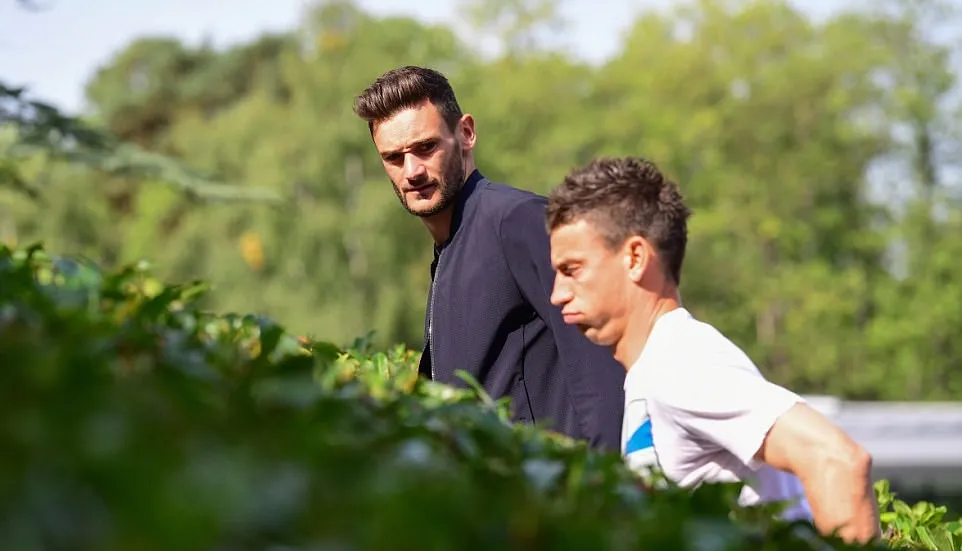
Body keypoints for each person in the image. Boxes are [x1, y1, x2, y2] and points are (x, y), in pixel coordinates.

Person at [544, 156, 881, 544]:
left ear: (635, 258)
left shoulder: (682, 363)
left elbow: (837, 460)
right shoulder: (660, 365)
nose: (557, 293)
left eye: (572, 269)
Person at [351, 66, 626, 451]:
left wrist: (606, 482)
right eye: (394, 157)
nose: (412, 171)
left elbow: (601, 352)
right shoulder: (448, 252)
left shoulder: (517, 220)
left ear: (465, 133)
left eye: (425, 147)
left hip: (561, 492)